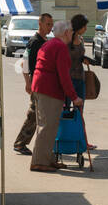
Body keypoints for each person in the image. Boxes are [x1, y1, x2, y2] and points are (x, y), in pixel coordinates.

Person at [30, 20, 83, 173]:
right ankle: (39, 161)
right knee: (47, 127)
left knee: (49, 126)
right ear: (66, 32)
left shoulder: (50, 44)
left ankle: (48, 158)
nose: (73, 34)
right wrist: (74, 97)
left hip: (41, 88)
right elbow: (64, 76)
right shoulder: (60, 47)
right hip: (49, 90)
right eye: (72, 31)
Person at [12, 13, 54, 155]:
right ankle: (20, 143)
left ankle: (23, 143)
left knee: (36, 114)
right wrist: (27, 83)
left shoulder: (45, 40)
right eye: (48, 24)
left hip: (43, 83)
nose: (50, 27)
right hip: (36, 82)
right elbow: (25, 63)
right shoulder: (35, 42)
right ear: (40, 24)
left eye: (51, 24)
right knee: (33, 114)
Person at [68, 15, 97, 163]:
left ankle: (83, 141)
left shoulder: (81, 39)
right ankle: (66, 140)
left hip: (80, 79)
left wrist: (85, 59)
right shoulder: (67, 40)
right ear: (79, 26)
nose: (86, 29)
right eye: (84, 26)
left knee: (80, 112)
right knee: (66, 112)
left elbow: (79, 56)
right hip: (68, 80)